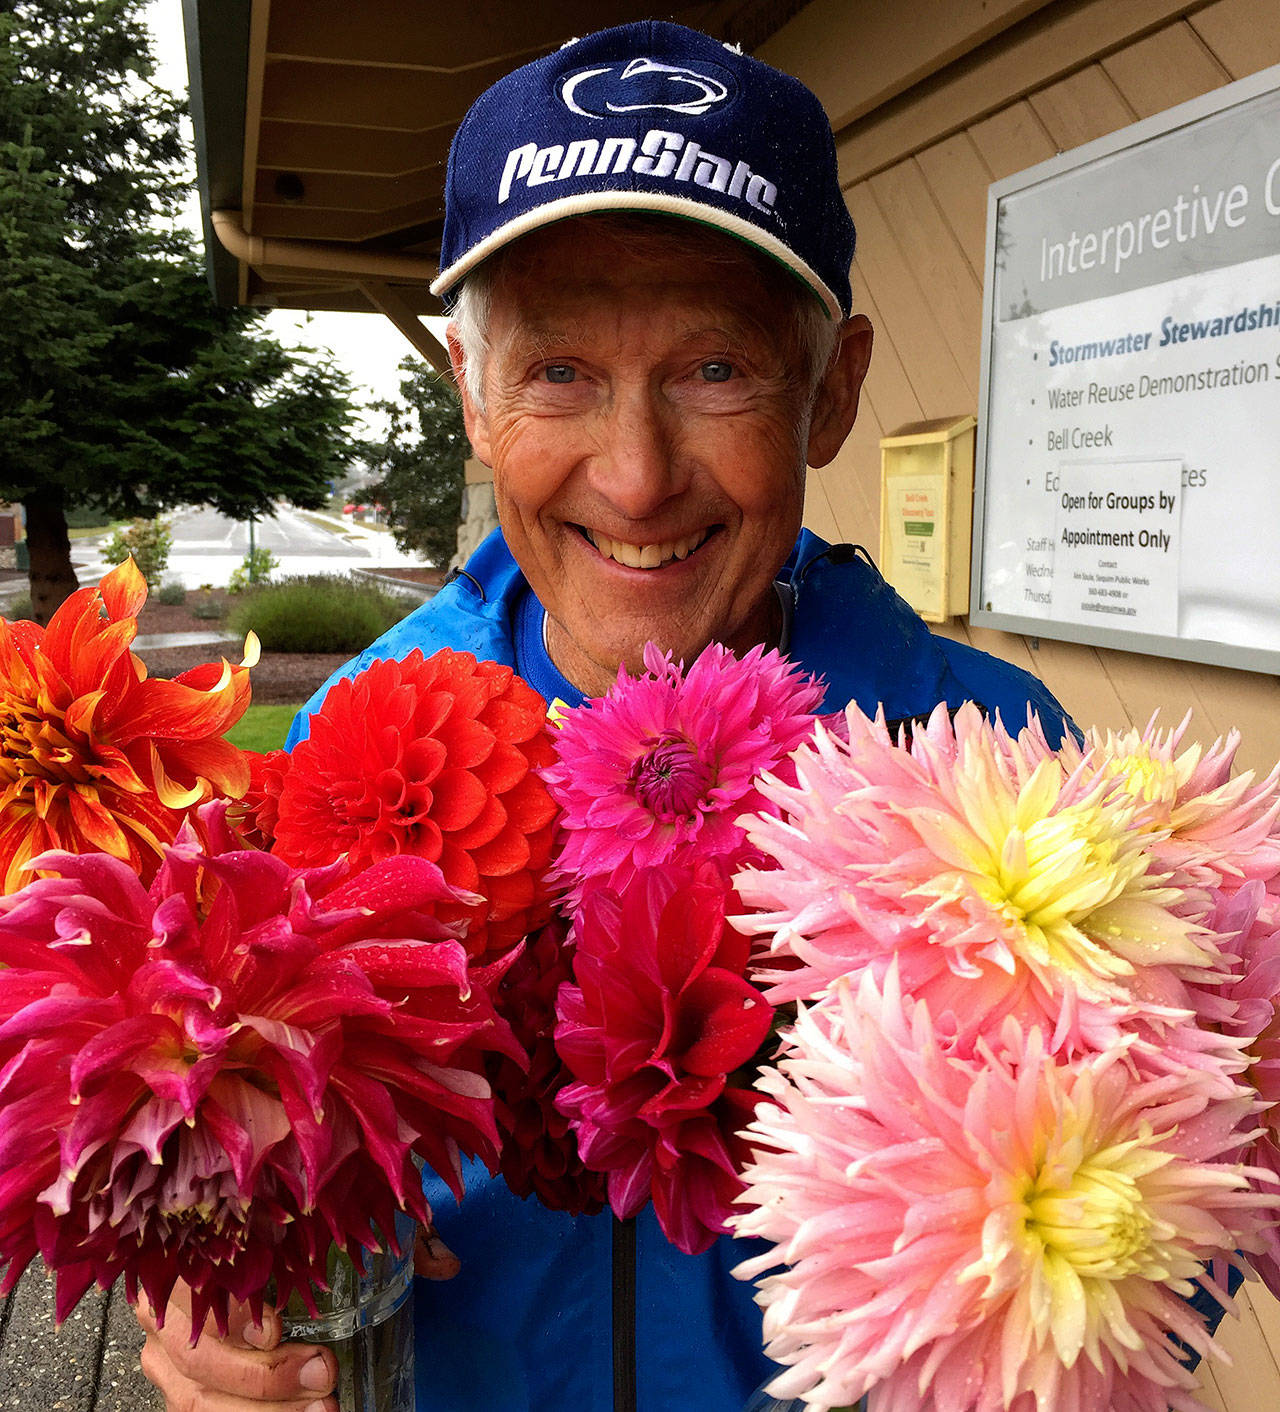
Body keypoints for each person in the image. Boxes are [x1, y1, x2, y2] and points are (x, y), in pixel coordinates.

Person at [136, 20, 1071, 1412]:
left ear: (835, 391)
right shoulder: (356, 741)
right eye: (561, 370)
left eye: (713, 369)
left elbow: (1160, 1197)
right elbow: (231, 1132)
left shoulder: (1001, 765)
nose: (634, 479)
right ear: (470, 391)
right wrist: (207, 1286)